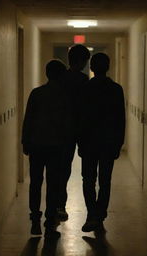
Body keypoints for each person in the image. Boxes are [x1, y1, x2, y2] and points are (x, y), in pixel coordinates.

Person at [78, 53, 126, 232]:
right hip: (108, 141)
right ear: (108, 67)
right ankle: (100, 213)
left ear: (91, 68)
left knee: (88, 179)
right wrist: (119, 143)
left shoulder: (85, 88)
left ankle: (92, 214)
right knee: (105, 180)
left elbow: (80, 118)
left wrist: (79, 142)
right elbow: (120, 119)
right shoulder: (115, 89)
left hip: (89, 141)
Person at [22, 60, 67, 238]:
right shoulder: (64, 96)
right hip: (56, 146)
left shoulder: (37, 93)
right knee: (53, 184)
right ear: (61, 75)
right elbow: (67, 123)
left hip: (37, 144)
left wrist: (25, 141)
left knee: (35, 182)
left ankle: (35, 220)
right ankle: (50, 222)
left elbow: (28, 120)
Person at [57, 44, 90, 220]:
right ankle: (90, 211)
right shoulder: (84, 81)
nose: (85, 65)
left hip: (64, 129)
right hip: (80, 128)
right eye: (85, 61)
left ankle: (60, 205)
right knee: (87, 172)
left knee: (63, 169)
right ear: (80, 61)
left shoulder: (62, 79)